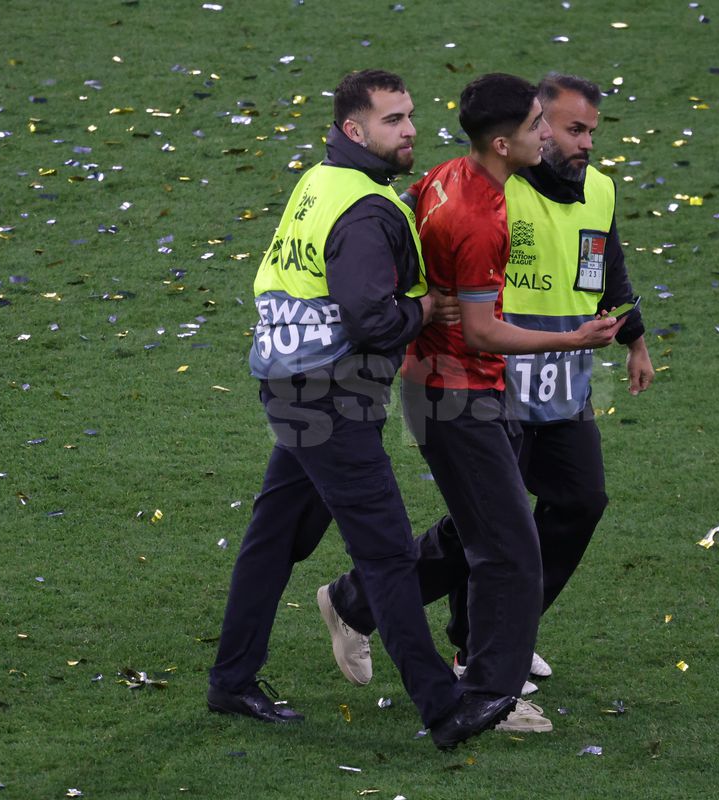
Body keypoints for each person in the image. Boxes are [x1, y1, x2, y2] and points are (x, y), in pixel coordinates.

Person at [318, 72, 653, 732]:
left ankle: (381, 609)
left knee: (554, 509)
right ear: (511, 137)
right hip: (470, 383)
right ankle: (486, 678)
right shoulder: (484, 205)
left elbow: (601, 261)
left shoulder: (495, 182)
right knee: (502, 538)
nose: (568, 139)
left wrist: (630, 334)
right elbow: (467, 317)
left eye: (585, 130)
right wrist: (414, 307)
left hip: (529, 381)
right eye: (555, 126)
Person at [207, 69, 515, 751]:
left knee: (272, 537)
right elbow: (371, 319)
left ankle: (231, 678)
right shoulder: (367, 211)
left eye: (410, 116)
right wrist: (423, 309)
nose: (410, 130)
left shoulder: (322, 181)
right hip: (331, 398)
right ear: (355, 129)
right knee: (387, 555)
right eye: (392, 120)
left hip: (293, 385)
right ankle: (442, 710)